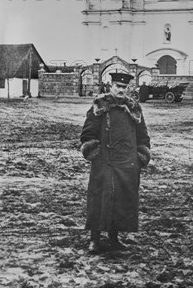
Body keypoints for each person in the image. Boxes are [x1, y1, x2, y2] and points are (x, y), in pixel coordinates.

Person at [80, 72, 151, 253]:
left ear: (128, 88)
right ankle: (94, 239)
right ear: (110, 86)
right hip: (104, 161)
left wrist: (140, 155)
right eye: (118, 86)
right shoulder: (100, 106)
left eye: (124, 87)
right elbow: (88, 133)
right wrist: (95, 153)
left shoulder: (134, 108)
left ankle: (114, 238)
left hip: (127, 163)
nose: (121, 90)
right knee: (99, 198)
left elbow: (142, 135)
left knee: (122, 200)